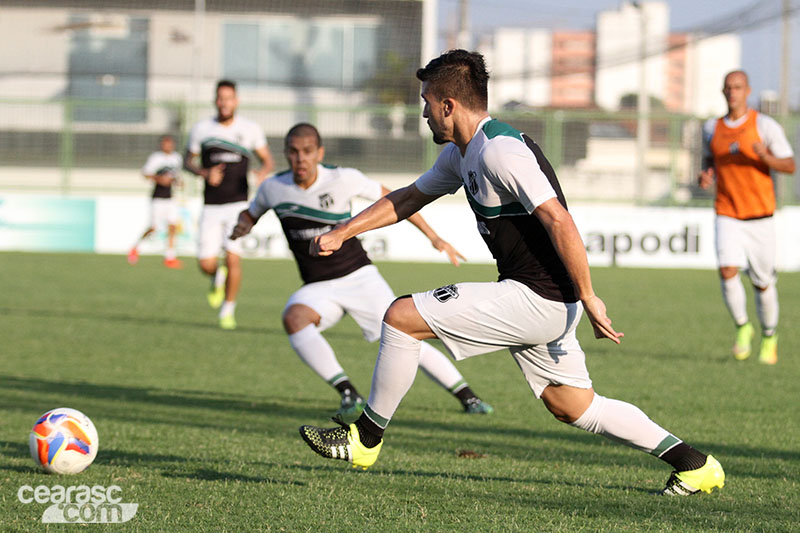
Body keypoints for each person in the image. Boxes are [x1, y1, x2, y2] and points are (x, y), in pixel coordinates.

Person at [298, 50, 725, 496]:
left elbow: (559, 220)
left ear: (449, 105)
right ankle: (695, 464)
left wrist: (589, 295)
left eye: (426, 101)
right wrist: (344, 232)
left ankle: (365, 437)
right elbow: (407, 199)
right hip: (539, 296)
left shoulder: (499, 150)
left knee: (401, 316)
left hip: (541, 297)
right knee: (572, 405)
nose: (422, 111)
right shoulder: (462, 154)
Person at [230, 123, 493, 422]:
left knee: (405, 334)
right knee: (294, 317)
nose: (300, 159)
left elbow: (397, 200)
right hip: (318, 286)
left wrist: (433, 237)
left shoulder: (344, 179)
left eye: (306, 152)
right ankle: (347, 393)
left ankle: (467, 395)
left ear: (319, 153)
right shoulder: (272, 188)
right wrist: (243, 225)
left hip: (359, 278)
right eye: (293, 152)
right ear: (286, 154)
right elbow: (250, 214)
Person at [699, 70, 795, 365]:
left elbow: (790, 164)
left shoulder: (764, 125)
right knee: (727, 270)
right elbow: (708, 157)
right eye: (728, 88)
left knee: (762, 283)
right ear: (723, 91)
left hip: (760, 216)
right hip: (727, 212)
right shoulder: (711, 128)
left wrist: (765, 157)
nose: (733, 92)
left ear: (748, 91)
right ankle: (743, 327)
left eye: (738, 87)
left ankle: (769, 334)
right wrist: (707, 172)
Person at [184, 80, 275, 330]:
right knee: (206, 264)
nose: (225, 102)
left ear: (236, 101)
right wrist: (204, 173)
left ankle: (228, 310)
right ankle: (216, 276)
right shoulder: (202, 129)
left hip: (238, 205)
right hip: (211, 206)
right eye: (220, 98)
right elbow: (186, 160)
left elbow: (267, 160)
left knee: (234, 259)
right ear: (215, 101)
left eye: (229, 98)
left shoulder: (250, 129)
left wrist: (262, 172)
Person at [127, 134, 184, 269]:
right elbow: (145, 173)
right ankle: (135, 247)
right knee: (153, 228)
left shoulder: (177, 158)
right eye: (165, 143)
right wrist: (159, 179)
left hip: (170, 198)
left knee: (173, 226)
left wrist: (179, 182)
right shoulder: (156, 158)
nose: (167, 146)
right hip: (158, 198)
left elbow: (176, 176)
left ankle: (170, 257)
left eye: (169, 143)